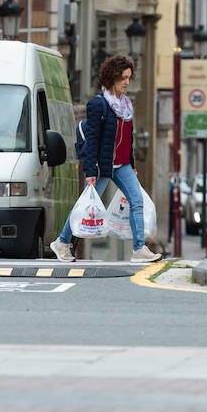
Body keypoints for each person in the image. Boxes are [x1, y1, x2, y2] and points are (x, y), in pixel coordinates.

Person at [51, 54, 160, 263]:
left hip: (123, 165)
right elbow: (92, 140)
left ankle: (139, 249)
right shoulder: (97, 105)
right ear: (112, 77)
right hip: (101, 165)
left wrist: (132, 165)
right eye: (123, 78)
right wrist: (90, 171)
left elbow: (128, 138)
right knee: (85, 206)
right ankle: (62, 243)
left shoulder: (126, 105)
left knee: (136, 201)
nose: (127, 82)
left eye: (129, 78)